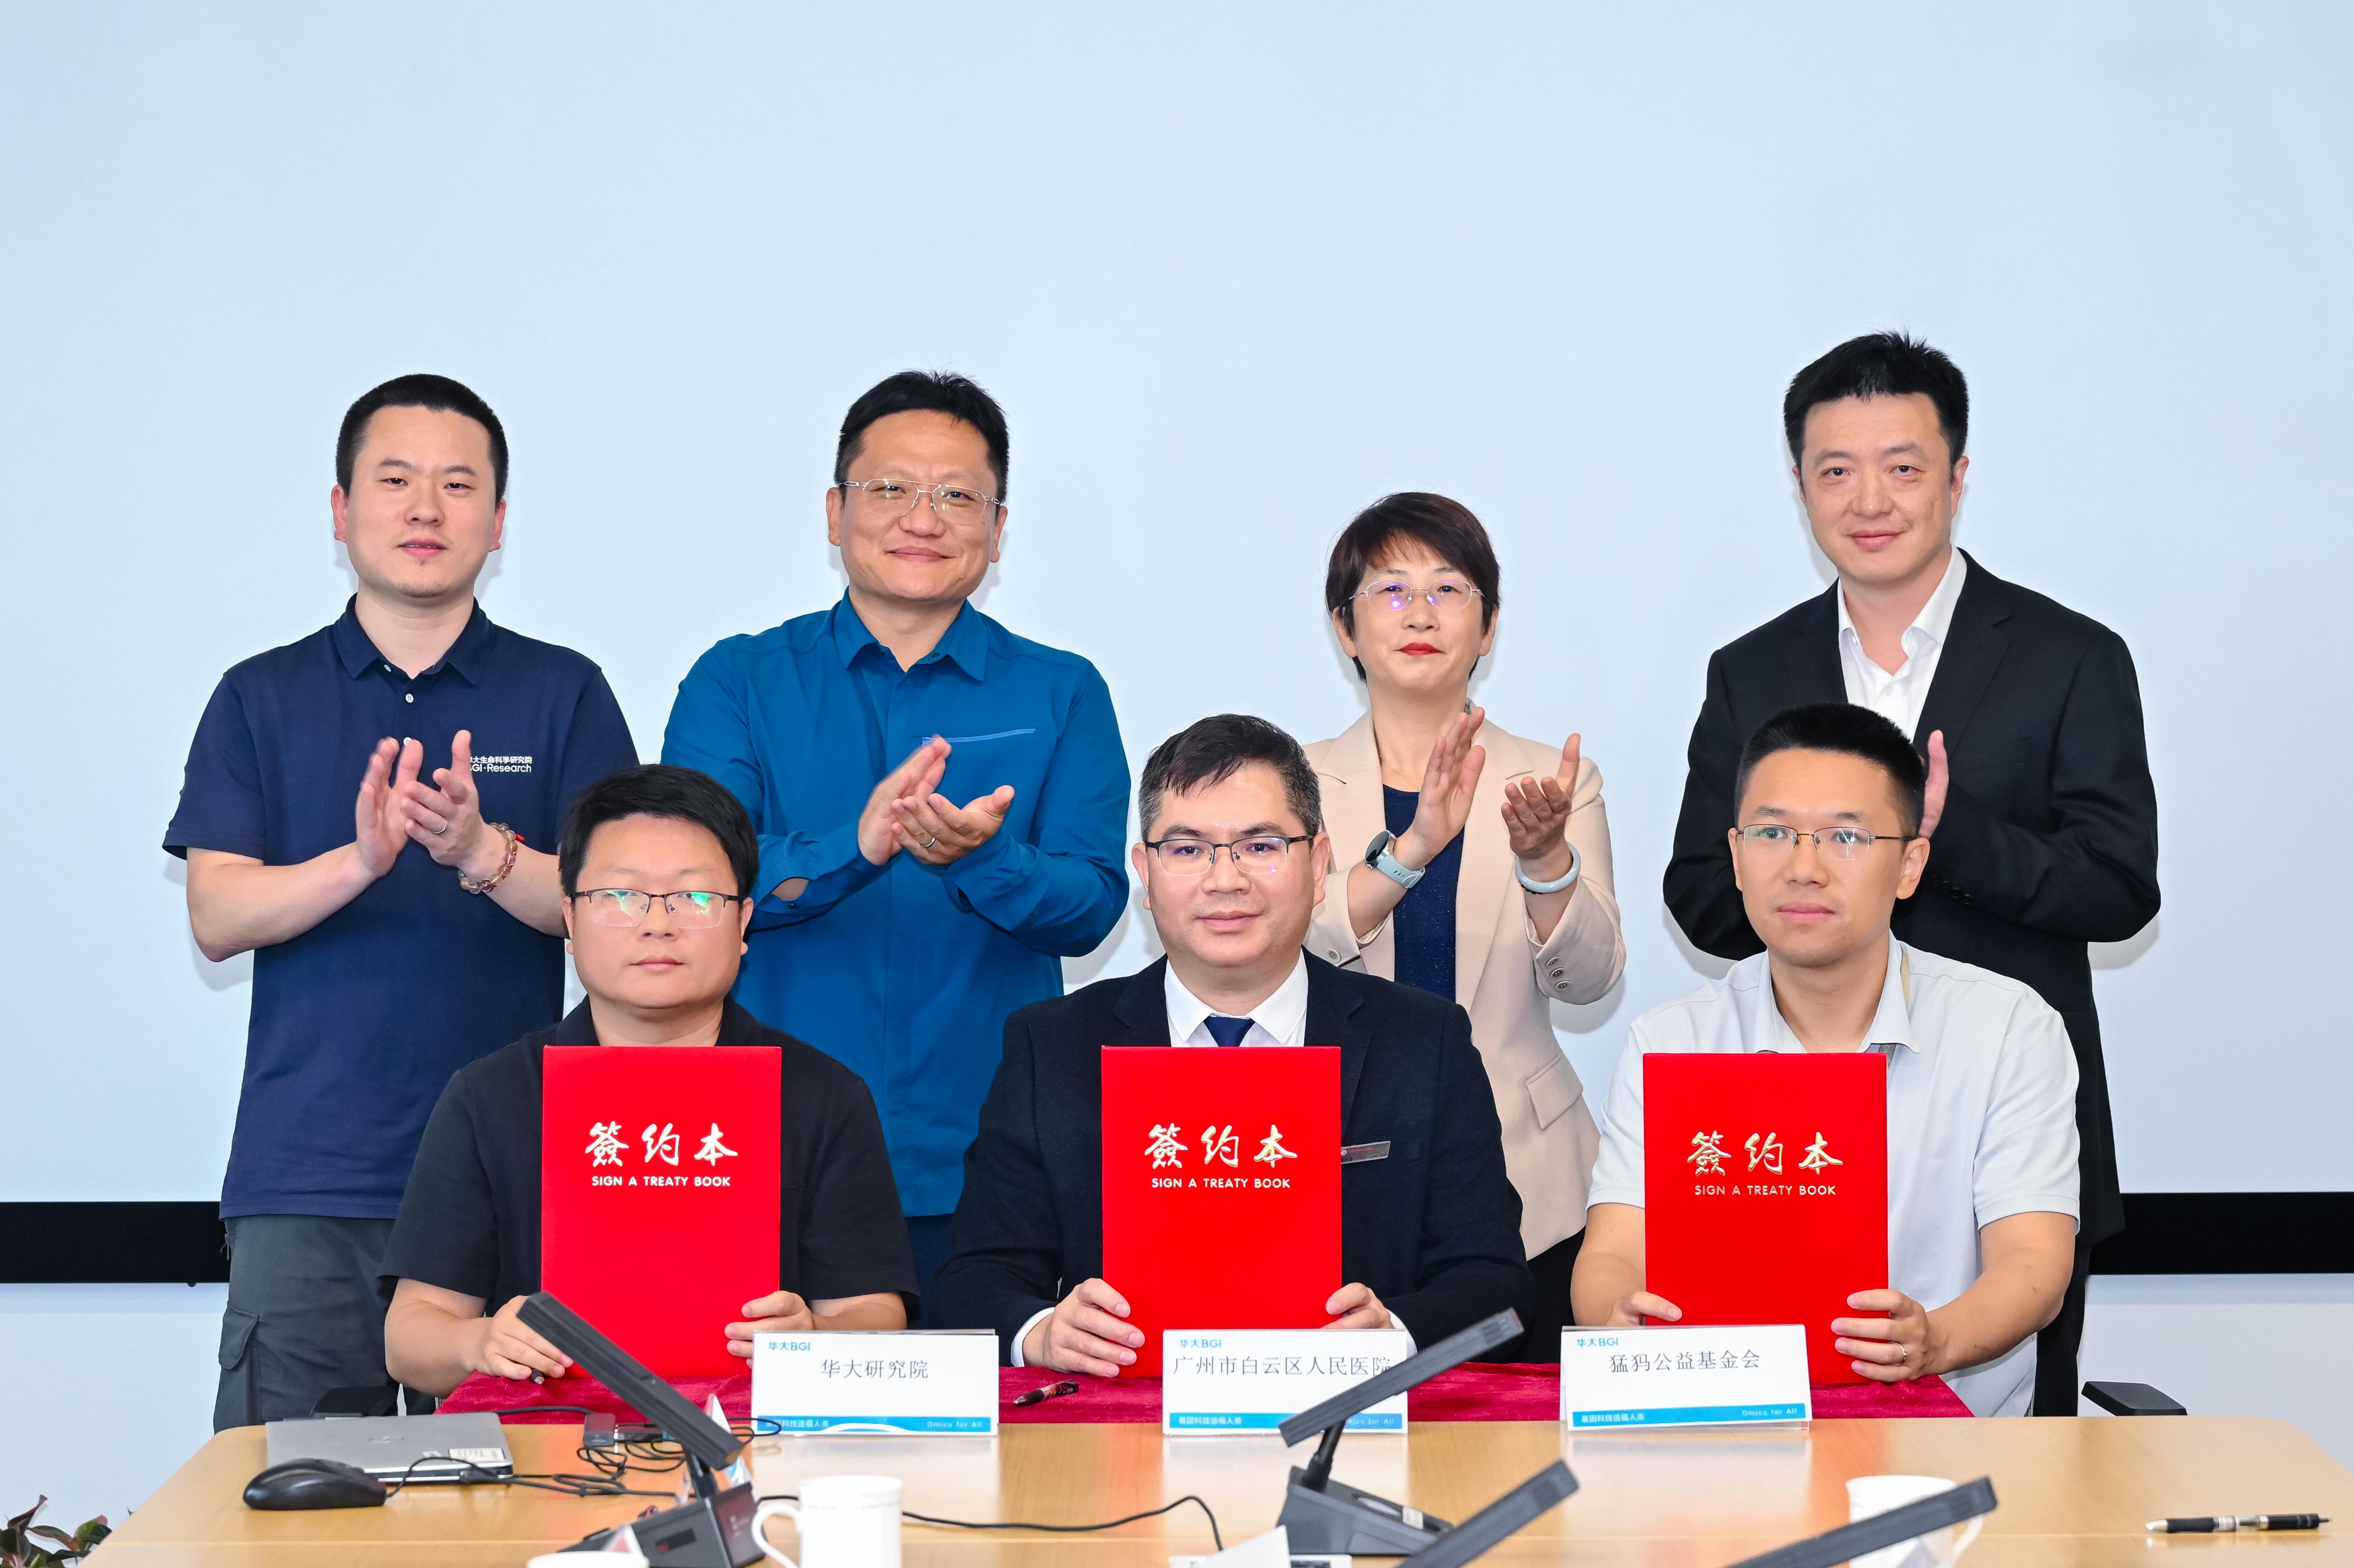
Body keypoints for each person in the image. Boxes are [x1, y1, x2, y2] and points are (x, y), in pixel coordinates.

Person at [1661, 332, 2158, 1414]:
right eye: (1835, 469)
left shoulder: (2071, 656)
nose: (1869, 499)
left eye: (1902, 465)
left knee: (2015, 1463)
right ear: (1800, 485)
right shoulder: (1751, 670)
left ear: (1956, 475)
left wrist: (1942, 833)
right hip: (1780, 1144)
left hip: (1998, 1138)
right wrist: (1821, 882)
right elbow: (1700, 893)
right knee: (1765, 1453)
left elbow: (2119, 886)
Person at [165, 375, 638, 1428]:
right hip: (312, 1175)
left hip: (515, 1172)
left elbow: (610, 909)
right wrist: (359, 861)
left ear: (498, 521)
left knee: (523, 1492)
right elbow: (217, 913)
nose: (426, 507)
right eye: (395, 480)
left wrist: (481, 850)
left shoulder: (565, 691)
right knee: (291, 1490)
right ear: (341, 510)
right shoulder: (260, 694)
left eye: (458, 484)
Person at [663, 371, 1128, 1308]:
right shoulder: (738, 680)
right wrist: (856, 845)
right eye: (890, 488)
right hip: (770, 1149)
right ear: (836, 512)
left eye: (957, 495)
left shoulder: (1062, 690)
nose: (923, 517)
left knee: (997, 1405)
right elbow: (696, 885)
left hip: (989, 1158)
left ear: (998, 528)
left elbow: (1092, 904)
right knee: (763, 1403)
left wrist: (984, 858)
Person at [931, 714, 1535, 1373]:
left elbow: (1495, 1285)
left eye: (1260, 846)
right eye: (1188, 850)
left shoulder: (1423, 1041)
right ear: (1145, 873)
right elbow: (974, 1281)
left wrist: (1393, 1330)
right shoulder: (1051, 1046)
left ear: (1319, 866)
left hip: (1348, 1414)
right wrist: (1043, 1333)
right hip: (1125, 1424)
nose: (1225, 880)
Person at [1582, 703, 2079, 1416]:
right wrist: (1616, 1318)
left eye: (1846, 836)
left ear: (1910, 866)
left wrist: (1935, 1340)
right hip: (1722, 1434)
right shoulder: (1672, 1039)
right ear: (1736, 857)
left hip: (1948, 1446)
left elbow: (2034, 1263)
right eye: (1772, 833)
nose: (1803, 868)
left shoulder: (2006, 1027)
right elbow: (1612, 1254)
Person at [381, 765, 915, 1395]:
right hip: (544, 1438)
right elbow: (410, 1338)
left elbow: (875, 1312)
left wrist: (814, 1339)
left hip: (760, 1435)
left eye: (696, 898)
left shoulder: (821, 1095)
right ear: (570, 921)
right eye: (619, 895)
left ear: (743, 923)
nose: (658, 924)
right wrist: (480, 1341)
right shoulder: (492, 1097)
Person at [1304, 493, 1623, 1361]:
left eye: (1448, 589)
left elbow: (1592, 978)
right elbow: (1285, 944)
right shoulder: (1294, 780)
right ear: (1344, 628)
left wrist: (1546, 860)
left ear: (1488, 628)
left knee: (1521, 1418)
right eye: (1390, 590)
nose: (1420, 613)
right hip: (1340, 1165)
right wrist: (1409, 852)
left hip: (1532, 1173)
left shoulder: (1552, 779)